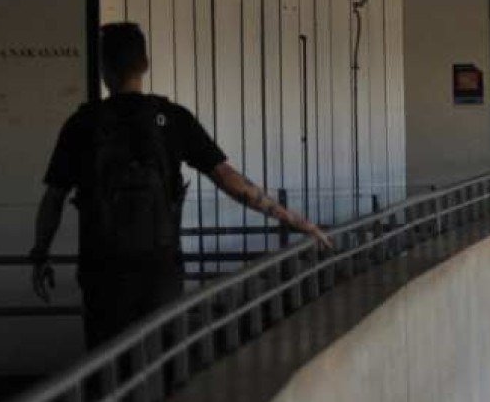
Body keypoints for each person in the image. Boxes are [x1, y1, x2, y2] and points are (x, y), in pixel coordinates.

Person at [31, 22, 330, 348]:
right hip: (160, 269)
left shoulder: (82, 124)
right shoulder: (172, 118)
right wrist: (296, 221)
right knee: (163, 361)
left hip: (102, 272)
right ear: (144, 64)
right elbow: (232, 183)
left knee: (106, 365)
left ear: (103, 68)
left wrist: (40, 255)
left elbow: (54, 198)